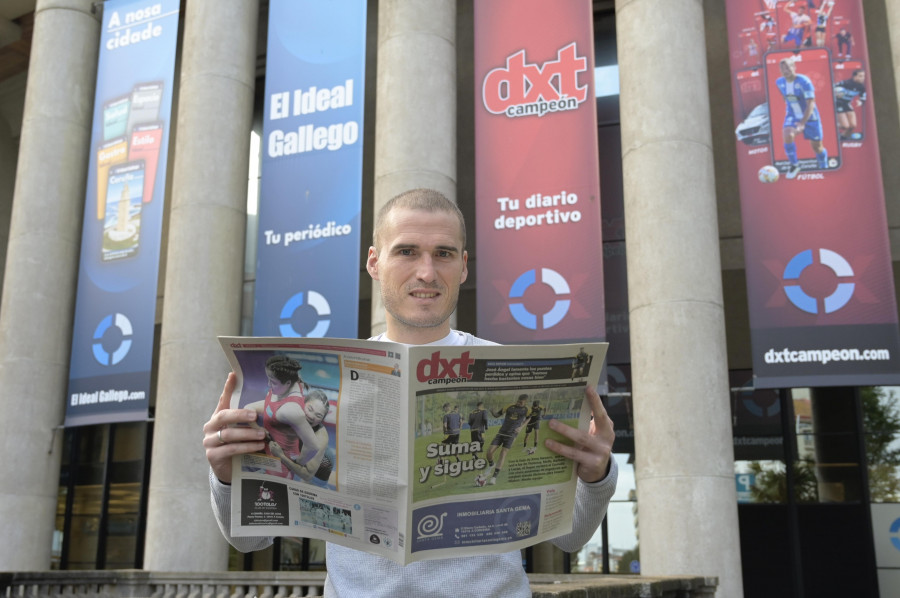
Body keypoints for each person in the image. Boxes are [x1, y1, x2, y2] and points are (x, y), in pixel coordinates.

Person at [203, 188, 617, 598]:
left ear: (464, 266)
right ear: (374, 262)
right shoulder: (329, 386)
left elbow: (571, 539)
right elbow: (248, 543)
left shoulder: (520, 379)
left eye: (444, 253)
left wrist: (597, 476)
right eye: (406, 251)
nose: (427, 273)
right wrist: (225, 476)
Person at [775, 57, 829, 179]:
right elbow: (785, 97)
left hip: (810, 117)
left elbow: (811, 103)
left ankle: (823, 163)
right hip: (792, 115)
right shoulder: (779, 82)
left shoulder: (804, 81)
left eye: (788, 67)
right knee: (787, 134)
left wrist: (803, 123)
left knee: (817, 147)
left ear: (794, 67)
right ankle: (794, 164)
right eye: (783, 69)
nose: (786, 70)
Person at [482, 393, 531, 485]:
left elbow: (529, 418)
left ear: (525, 403)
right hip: (501, 432)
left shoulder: (527, 409)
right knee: (489, 452)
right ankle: (491, 464)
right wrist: (492, 411)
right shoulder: (509, 406)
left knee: (503, 453)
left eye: (521, 402)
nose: (518, 403)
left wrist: (521, 427)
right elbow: (497, 415)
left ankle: (494, 477)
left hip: (512, 434)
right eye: (518, 401)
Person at [834, 68, 866, 140]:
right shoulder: (846, 83)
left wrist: (860, 102)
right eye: (860, 76)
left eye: (863, 76)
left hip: (847, 104)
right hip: (838, 103)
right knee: (845, 126)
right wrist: (836, 93)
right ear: (854, 76)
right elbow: (833, 87)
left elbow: (863, 97)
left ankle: (843, 138)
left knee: (852, 126)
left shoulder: (862, 87)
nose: (863, 78)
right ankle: (831, 126)